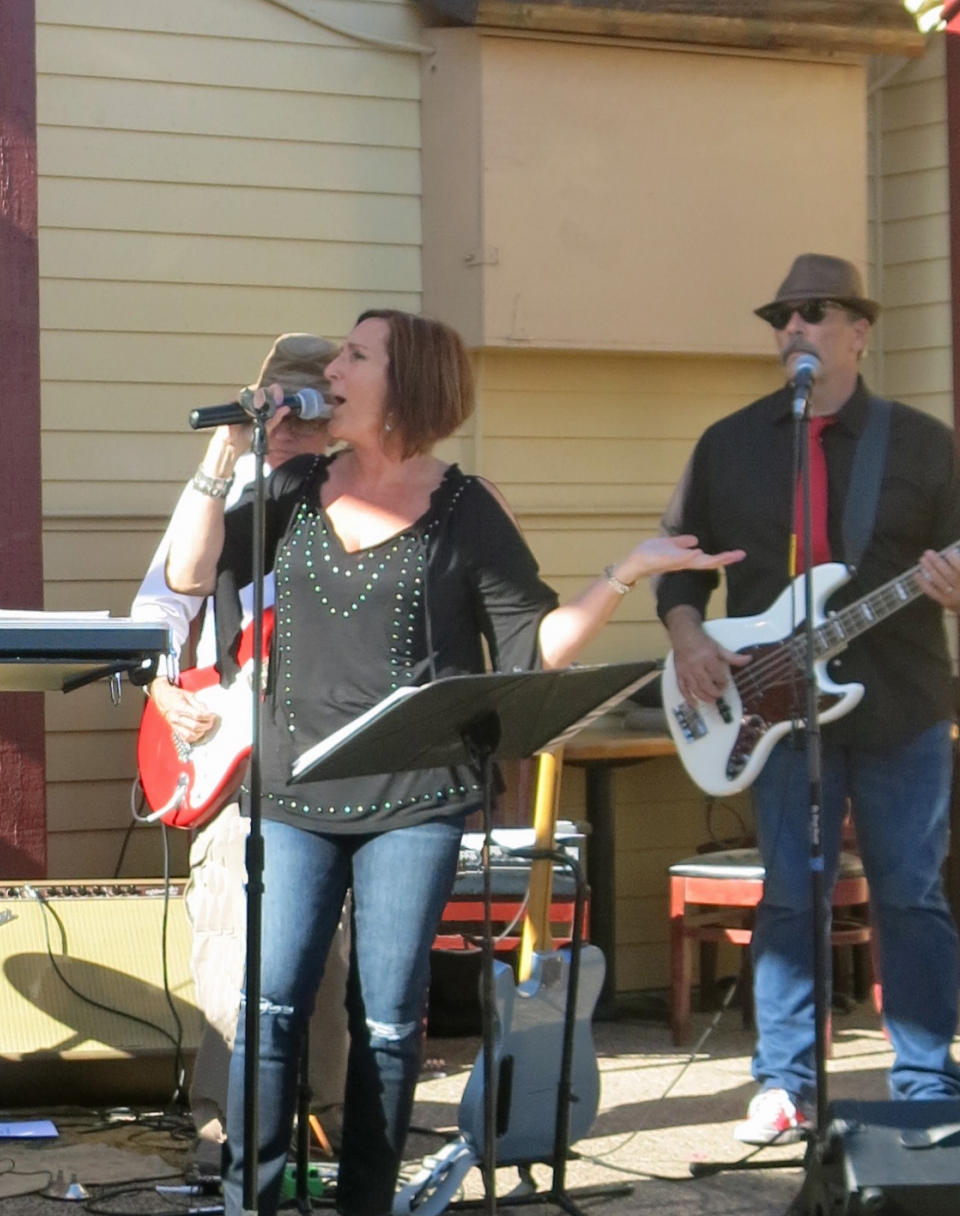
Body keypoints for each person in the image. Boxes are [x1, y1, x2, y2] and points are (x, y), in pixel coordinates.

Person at [165, 309, 737, 1216]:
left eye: (356, 356)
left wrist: (624, 572)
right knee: (269, 1009)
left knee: (388, 1021)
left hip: (415, 799)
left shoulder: (466, 507)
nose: (333, 370)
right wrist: (226, 452)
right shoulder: (294, 485)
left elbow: (533, 645)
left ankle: (367, 1203)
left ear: (408, 385)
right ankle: (252, 1203)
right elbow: (190, 575)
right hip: (295, 792)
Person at [657, 253, 960, 1144]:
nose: (793, 326)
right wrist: (688, 637)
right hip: (771, 711)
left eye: (816, 312)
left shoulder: (922, 443)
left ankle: (926, 1084)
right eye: (782, 316)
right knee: (792, 895)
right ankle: (783, 1083)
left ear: (860, 333)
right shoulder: (730, 443)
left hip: (903, 703)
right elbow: (679, 564)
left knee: (911, 894)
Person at [131, 333, 354, 1172]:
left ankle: (326, 1122)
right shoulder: (222, 493)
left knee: (328, 950)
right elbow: (162, 606)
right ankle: (223, 1133)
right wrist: (163, 688)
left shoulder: (352, 495)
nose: (289, 426)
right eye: (278, 408)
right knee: (230, 939)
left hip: (322, 747)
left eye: (308, 410)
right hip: (228, 750)